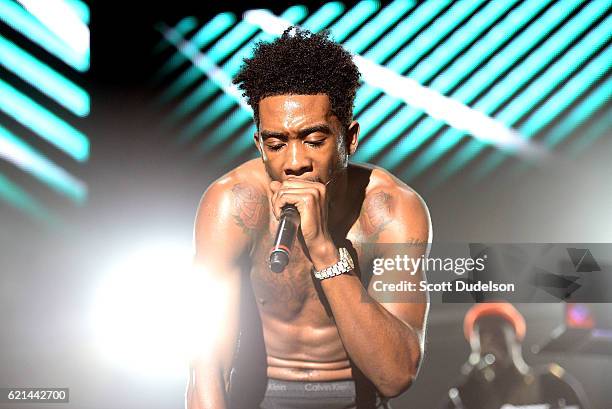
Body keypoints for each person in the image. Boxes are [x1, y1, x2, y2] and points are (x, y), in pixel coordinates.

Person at [186, 27, 431, 409]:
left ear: (348, 139)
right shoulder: (233, 204)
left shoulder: (391, 210)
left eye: (314, 141)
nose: (295, 163)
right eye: (276, 144)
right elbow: (206, 368)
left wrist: (325, 252)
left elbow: (397, 374)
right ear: (259, 145)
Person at [440, 302, 589, 409]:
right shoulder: (466, 394)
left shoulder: (551, 384)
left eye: (497, 332)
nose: (489, 340)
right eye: (481, 334)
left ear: (516, 337)